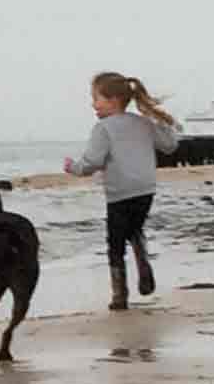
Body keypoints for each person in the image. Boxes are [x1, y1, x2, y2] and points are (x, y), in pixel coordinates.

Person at [59, 71, 179, 310]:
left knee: (115, 242)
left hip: (119, 192)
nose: (93, 104)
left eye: (96, 99)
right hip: (146, 189)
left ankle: (119, 295)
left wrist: (73, 167)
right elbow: (169, 146)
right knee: (134, 229)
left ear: (113, 100)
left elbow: (92, 162)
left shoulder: (103, 128)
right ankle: (142, 257)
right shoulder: (143, 123)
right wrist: (161, 122)